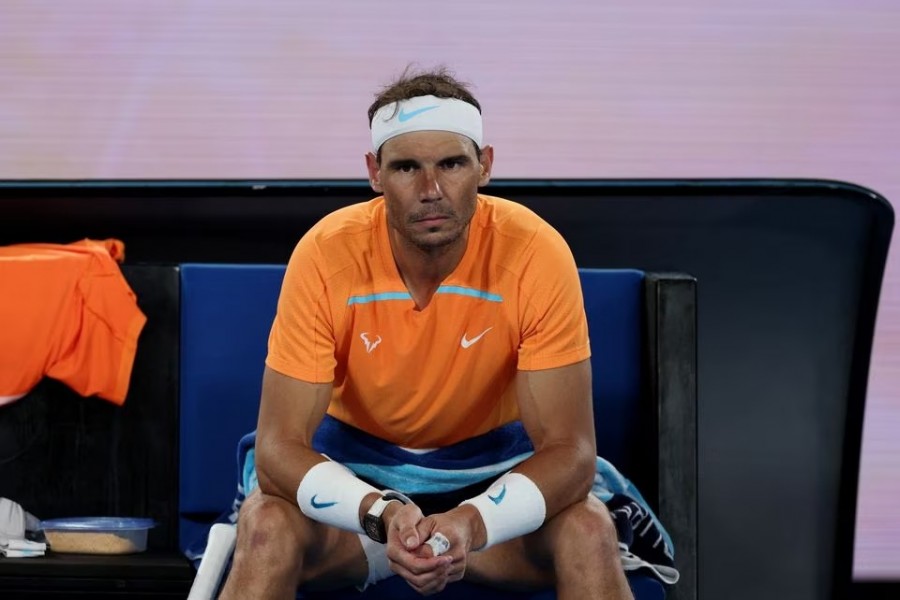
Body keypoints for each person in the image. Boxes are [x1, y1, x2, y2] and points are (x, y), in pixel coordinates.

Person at [218, 67, 635, 600]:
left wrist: (469, 522)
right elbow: (279, 449)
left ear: (485, 166)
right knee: (266, 526)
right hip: (357, 495)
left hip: (492, 492)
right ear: (374, 173)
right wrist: (381, 513)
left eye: (452, 164)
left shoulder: (535, 252)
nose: (431, 190)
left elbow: (572, 454)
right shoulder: (325, 253)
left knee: (589, 529)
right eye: (407, 167)